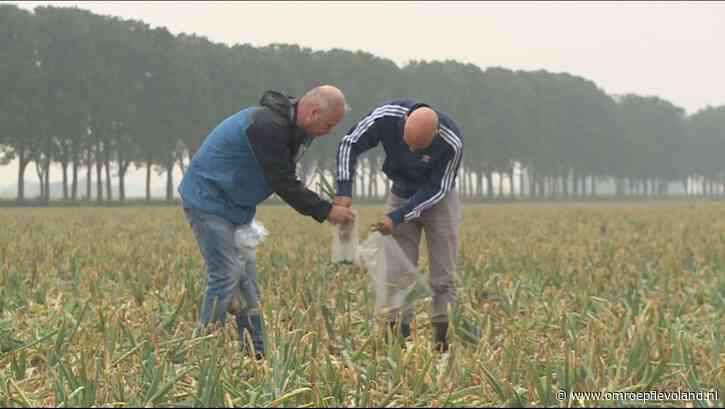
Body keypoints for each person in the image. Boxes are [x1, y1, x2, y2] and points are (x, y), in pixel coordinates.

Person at [178, 85, 356, 360]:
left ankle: (255, 354)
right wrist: (326, 211)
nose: (329, 131)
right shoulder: (267, 126)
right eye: (329, 124)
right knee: (225, 274)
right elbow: (282, 181)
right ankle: (201, 353)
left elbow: (284, 177)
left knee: (247, 282)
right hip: (209, 200)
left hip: (236, 207)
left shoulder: (294, 130)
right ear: (314, 112)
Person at [335, 100, 462, 352]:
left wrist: (397, 217)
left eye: (420, 146)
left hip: (438, 199)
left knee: (442, 275)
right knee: (396, 271)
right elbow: (349, 143)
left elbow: (436, 189)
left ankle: (442, 338)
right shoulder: (386, 117)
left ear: (435, 135)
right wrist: (343, 190)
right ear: (403, 124)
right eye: (407, 143)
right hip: (400, 193)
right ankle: (396, 336)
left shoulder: (451, 142)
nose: (412, 150)